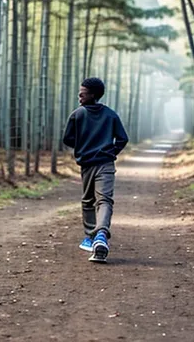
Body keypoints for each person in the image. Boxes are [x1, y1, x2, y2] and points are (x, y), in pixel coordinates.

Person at [63, 77, 128, 263]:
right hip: (105, 164)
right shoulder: (110, 114)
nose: (79, 96)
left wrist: (83, 145)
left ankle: (96, 236)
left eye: (82, 93)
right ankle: (97, 236)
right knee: (101, 200)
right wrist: (110, 152)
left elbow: (67, 140)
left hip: (87, 164)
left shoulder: (77, 115)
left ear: (93, 95)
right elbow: (122, 138)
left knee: (90, 201)